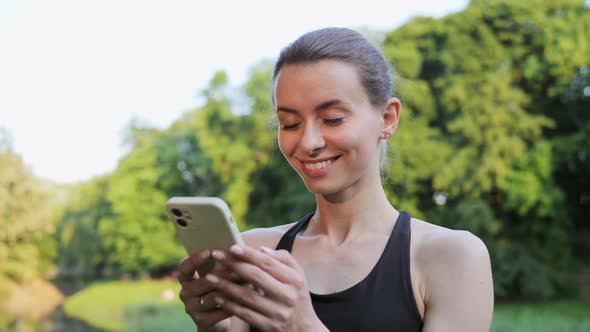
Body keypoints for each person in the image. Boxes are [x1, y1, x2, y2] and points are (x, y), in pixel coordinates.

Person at [177, 27, 494, 332]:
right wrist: (214, 329)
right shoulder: (255, 251)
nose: (308, 142)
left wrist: (303, 326)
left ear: (388, 118)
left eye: (332, 119)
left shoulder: (452, 257)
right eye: (289, 124)